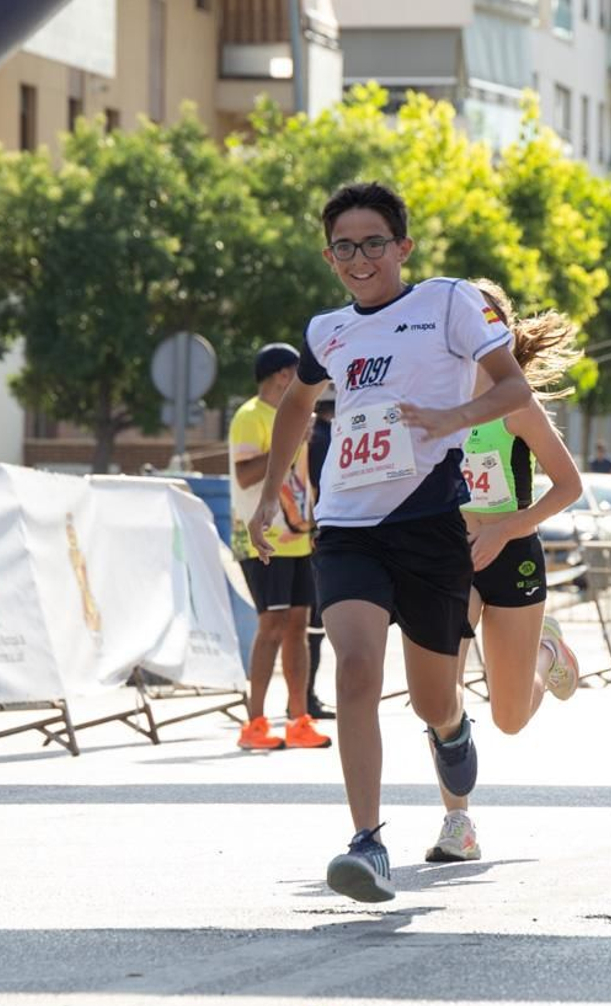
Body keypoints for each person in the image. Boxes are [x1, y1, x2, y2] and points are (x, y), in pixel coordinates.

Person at [246, 181, 533, 903]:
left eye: (374, 242)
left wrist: (448, 416)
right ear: (329, 255)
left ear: (402, 247)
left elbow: (513, 391)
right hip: (346, 527)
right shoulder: (325, 331)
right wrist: (274, 491)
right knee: (355, 668)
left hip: (431, 526)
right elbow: (297, 406)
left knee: (431, 701)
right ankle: (367, 841)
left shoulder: (448, 303)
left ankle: (452, 726)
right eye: (344, 246)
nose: (359, 257)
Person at [426, 277, 584, 864]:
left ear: (498, 326)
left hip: (512, 552)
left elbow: (569, 486)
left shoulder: (516, 404)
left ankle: (548, 652)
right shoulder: (435, 394)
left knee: (510, 717)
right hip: (449, 556)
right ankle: (457, 823)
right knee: (441, 693)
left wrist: (504, 529)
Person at [228, 343, 334, 751]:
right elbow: (245, 475)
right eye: (297, 369)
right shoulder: (249, 416)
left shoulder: (295, 415)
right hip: (262, 539)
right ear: (281, 375)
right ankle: (254, 724)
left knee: (298, 629)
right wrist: (289, 444)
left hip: (299, 536)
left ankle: (298, 721)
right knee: (270, 628)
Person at [303, 391, 337, 720]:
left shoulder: (315, 435)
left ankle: (303, 697)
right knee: (313, 627)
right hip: (318, 534)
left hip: (306, 532)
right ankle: (305, 698)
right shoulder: (325, 437)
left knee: (310, 625)